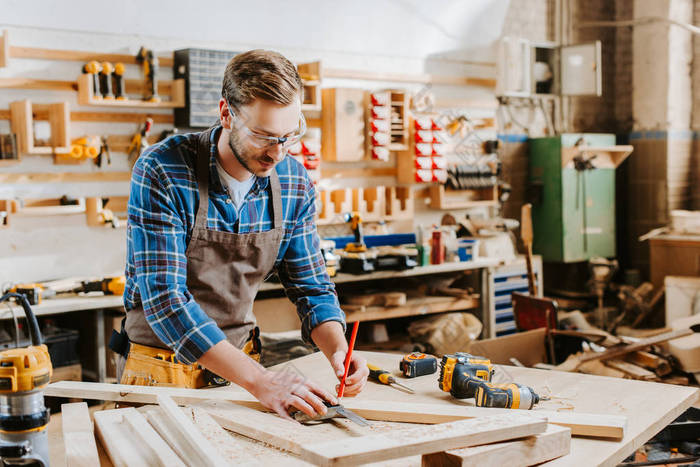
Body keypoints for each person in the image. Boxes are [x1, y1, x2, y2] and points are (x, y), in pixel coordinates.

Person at [112, 49, 368, 420]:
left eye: (288, 136)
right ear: (226, 114)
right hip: (160, 368)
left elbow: (311, 286)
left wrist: (337, 350)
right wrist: (260, 381)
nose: (277, 153)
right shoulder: (162, 169)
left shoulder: (293, 181)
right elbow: (165, 300)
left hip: (241, 370)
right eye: (263, 136)